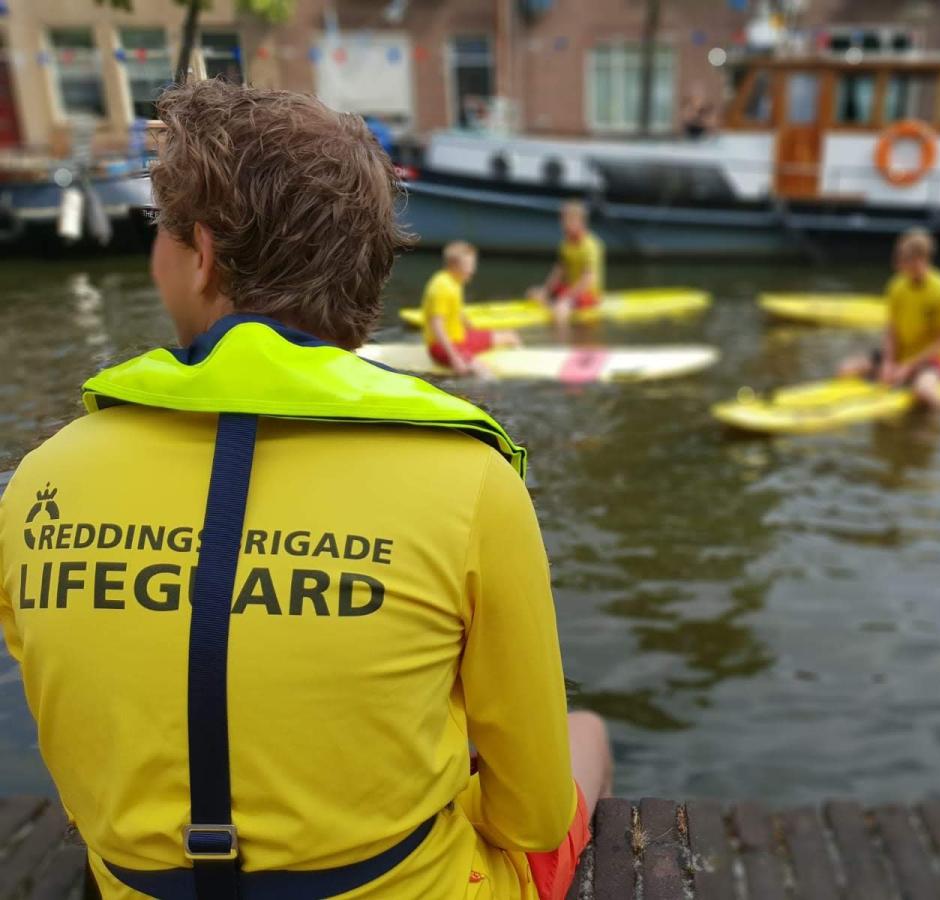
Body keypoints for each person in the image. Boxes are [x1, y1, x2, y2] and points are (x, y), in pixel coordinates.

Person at [0, 80, 611, 900]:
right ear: (370, 273)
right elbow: (531, 817)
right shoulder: (471, 481)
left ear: (203, 255)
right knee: (585, 733)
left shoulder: (41, 480)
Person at [840, 228, 940, 410]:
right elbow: (891, 330)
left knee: (924, 393)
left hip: (934, 359)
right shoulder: (896, 286)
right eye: (898, 257)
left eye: (903, 259)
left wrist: (908, 367)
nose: (897, 264)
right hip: (901, 354)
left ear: (920, 259)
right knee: (846, 370)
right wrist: (889, 363)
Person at [423, 241, 519, 375]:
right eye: (468, 265)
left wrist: (471, 328)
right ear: (453, 265)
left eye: (472, 265)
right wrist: (454, 357)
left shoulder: (453, 281)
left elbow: (456, 312)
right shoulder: (442, 288)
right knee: (484, 372)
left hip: (460, 337)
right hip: (441, 347)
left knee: (510, 336)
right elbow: (437, 326)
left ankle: (521, 361)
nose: (472, 270)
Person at [528, 201, 605, 330]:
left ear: (580, 221)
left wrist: (566, 298)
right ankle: (552, 306)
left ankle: (563, 344)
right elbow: (558, 272)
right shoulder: (565, 244)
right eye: (563, 220)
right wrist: (546, 291)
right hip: (571, 290)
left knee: (560, 309)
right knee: (532, 293)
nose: (563, 225)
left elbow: (588, 280)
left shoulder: (592, 246)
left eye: (568, 221)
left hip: (588, 295)